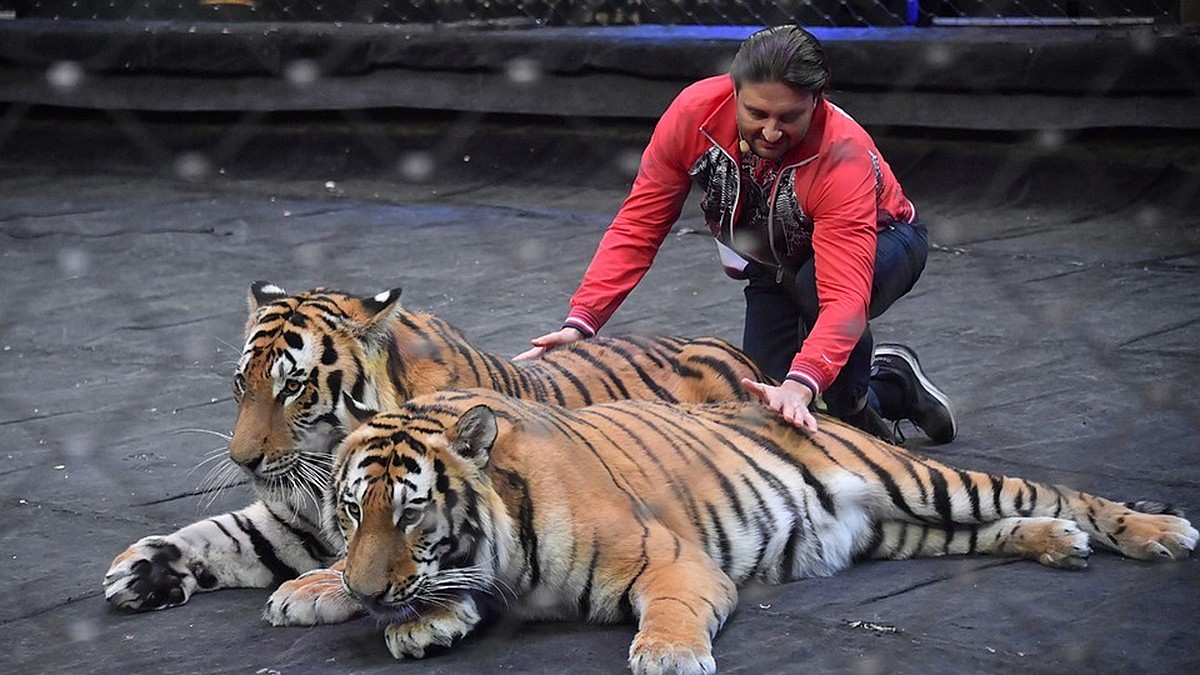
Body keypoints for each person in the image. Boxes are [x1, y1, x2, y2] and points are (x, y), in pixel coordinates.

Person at [515, 25, 955, 445]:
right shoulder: (694, 114)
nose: (770, 131)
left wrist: (804, 381)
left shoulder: (843, 157)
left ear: (817, 101)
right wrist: (581, 322)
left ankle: (857, 405)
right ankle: (894, 383)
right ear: (734, 90)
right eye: (757, 113)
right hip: (774, 261)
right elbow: (639, 224)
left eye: (789, 117)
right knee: (761, 404)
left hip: (885, 242)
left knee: (824, 369)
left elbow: (844, 297)